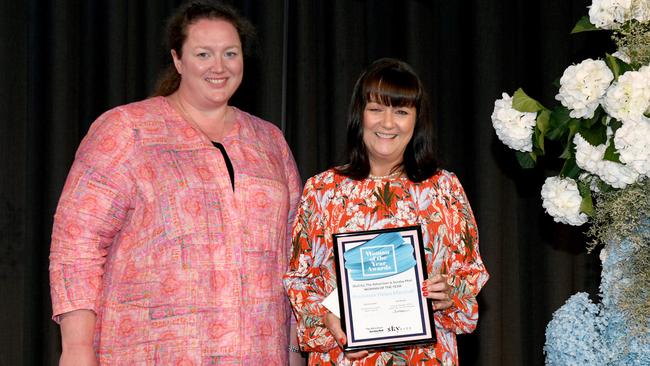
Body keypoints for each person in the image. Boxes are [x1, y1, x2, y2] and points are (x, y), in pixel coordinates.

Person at [49, 1, 304, 364]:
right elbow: (77, 245)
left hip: (259, 352)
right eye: (204, 53)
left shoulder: (269, 141)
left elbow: (295, 255)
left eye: (230, 53)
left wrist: (294, 350)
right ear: (178, 60)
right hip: (150, 350)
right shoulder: (127, 130)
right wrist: (76, 348)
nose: (219, 66)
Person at [283, 58, 489, 365]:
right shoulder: (322, 191)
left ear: (417, 120)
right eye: (376, 109)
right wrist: (330, 323)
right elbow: (299, 282)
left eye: (401, 111)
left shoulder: (444, 189)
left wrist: (449, 293)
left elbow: (469, 279)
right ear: (359, 115)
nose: (388, 123)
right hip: (345, 359)